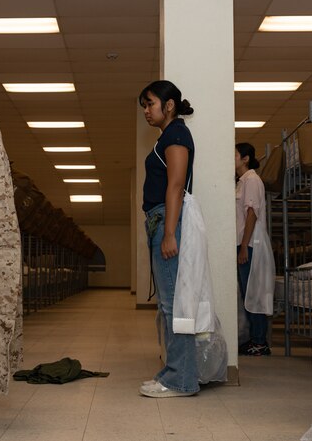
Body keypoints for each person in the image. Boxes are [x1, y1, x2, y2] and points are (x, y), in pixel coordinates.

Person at [138, 80, 198, 397]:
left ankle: (181, 379)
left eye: (150, 104)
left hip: (166, 219)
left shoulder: (176, 134)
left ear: (169, 104)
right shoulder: (168, 135)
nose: (146, 111)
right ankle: (173, 371)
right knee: (167, 302)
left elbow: (176, 185)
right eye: (144, 106)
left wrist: (170, 232)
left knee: (174, 303)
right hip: (159, 219)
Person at [235, 143, 271, 356]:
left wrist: (244, 247)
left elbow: (252, 214)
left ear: (245, 158)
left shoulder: (252, 180)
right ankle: (253, 338)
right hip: (243, 242)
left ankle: (260, 342)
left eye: (235, 155)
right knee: (247, 292)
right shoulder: (240, 183)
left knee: (253, 292)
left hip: (250, 243)